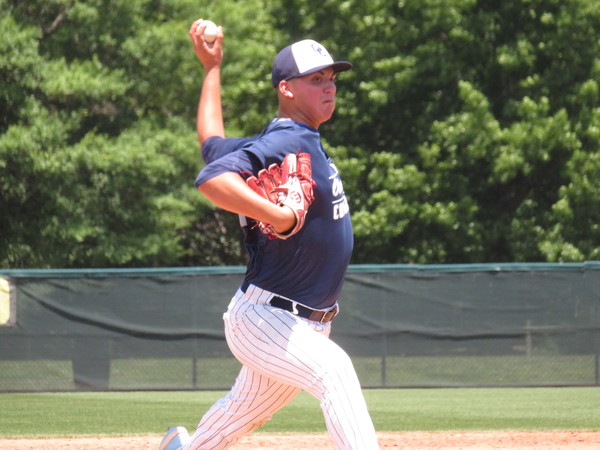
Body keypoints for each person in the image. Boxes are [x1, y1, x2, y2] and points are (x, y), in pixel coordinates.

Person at [159, 18, 380, 450]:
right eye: (316, 79)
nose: (329, 87)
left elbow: (211, 140)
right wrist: (277, 216)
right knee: (335, 374)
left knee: (240, 414)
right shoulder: (288, 141)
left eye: (332, 78)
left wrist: (211, 68)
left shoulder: (297, 139)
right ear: (287, 88)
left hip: (304, 322)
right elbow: (211, 178)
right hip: (267, 317)